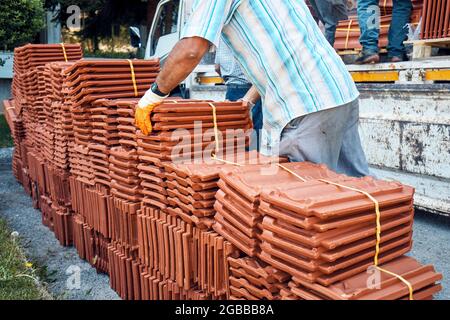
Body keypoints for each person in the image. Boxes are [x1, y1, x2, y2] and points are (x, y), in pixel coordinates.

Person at [135, 0, 370, 177]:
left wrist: (153, 94)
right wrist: (247, 100)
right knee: (357, 188)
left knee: (304, 199)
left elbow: (191, 49)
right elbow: (281, 46)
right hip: (339, 91)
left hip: (305, 105)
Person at [215, 38, 262, 149]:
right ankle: (256, 160)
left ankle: (239, 162)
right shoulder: (246, 35)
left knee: (234, 133)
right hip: (253, 91)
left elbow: (217, 67)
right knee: (255, 133)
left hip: (231, 90)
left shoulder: (222, 39)